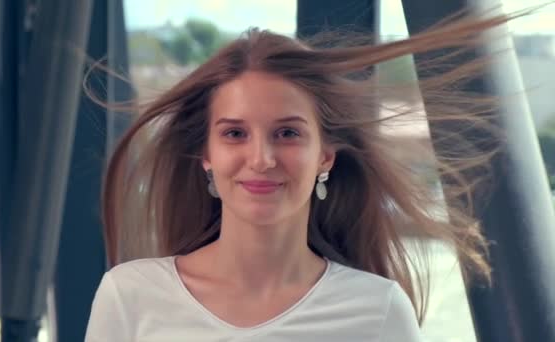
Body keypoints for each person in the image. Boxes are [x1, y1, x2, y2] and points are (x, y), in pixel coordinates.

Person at [84, 9, 524, 341]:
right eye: (235, 133)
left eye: (288, 133)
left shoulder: (379, 311)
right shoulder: (129, 296)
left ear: (325, 155)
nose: (261, 158)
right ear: (206, 154)